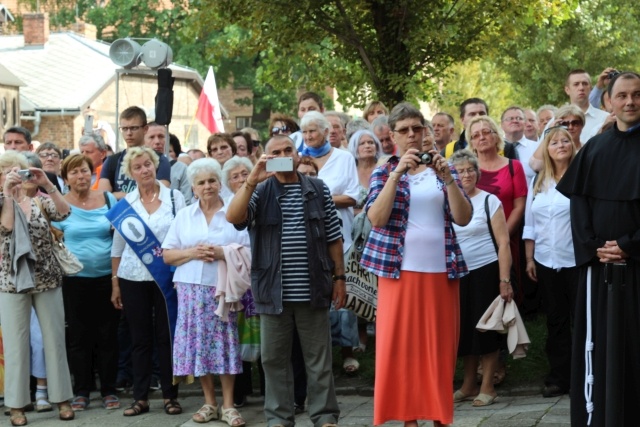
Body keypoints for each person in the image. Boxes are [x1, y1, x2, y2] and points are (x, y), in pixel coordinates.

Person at [360, 102, 472, 427]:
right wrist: (397, 173)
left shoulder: (443, 168)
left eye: (417, 128)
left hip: (442, 271)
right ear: (393, 135)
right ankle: (409, 419)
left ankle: (439, 416)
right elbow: (377, 218)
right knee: (402, 350)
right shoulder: (383, 171)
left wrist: (448, 177)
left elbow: (463, 218)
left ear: (425, 131)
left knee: (439, 350)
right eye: (404, 130)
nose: (412, 135)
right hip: (399, 272)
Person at [226, 134, 345, 427]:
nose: (283, 154)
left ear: (297, 153)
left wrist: (339, 278)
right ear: (266, 157)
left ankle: (325, 416)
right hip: (272, 292)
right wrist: (253, 177)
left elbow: (333, 236)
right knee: (274, 361)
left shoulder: (317, 188)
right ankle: (279, 418)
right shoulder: (260, 190)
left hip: (314, 288)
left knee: (318, 360)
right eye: (275, 151)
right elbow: (234, 216)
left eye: (287, 150)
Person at [556, 71, 640, 426]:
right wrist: (595, 248)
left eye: (637, 95)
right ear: (609, 101)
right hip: (599, 270)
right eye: (622, 96)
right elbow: (578, 204)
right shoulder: (595, 146)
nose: (630, 102)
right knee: (601, 348)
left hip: (638, 266)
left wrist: (628, 245)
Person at [163, 158, 249, 426]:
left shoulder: (233, 213)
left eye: (212, 180)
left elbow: (248, 252)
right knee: (198, 345)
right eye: (201, 182)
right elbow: (167, 255)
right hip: (189, 289)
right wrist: (192, 252)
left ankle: (228, 405)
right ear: (193, 187)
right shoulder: (184, 215)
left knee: (225, 345)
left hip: (222, 290)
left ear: (219, 182)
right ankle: (209, 402)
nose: (208, 186)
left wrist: (222, 252)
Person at [109, 146, 186, 417]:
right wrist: (115, 283)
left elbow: (184, 237)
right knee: (139, 339)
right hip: (131, 277)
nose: (144, 170)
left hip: (167, 278)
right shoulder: (125, 205)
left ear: (155, 166)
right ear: (131, 173)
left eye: (148, 165)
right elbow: (117, 248)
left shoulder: (175, 198)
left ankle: (170, 395)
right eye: (138, 167)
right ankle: (140, 398)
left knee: (167, 338)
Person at [0, 151, 75, 425]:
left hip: (48, 278)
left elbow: (65, 212)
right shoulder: (1, 201)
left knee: (54, 340)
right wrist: (8, 194)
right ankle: (17, 406)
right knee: (16, 345)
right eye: (5, 171)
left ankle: (62, 399)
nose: (12, 176)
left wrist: (47, 183)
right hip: (11, 283)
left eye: (16, 170)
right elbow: (6, 227)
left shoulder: (39, 201)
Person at [51, 154, 121, 411]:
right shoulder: (58, 204)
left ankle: (109, 390)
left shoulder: (107, 199)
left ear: (91, 174)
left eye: (84, 171)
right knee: (79, 338)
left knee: (108, 336)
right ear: (65, 178)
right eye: (74, 172)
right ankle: (81, 391)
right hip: (74, 282)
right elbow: (53, 238)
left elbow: (120, 238)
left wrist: (116, 281)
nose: (80, 176)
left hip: (107, 278)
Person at [450, 149, 513, 408]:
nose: (466, 174)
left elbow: (504, 242)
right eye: (460, 170)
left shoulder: (489, 201)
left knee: (486, 330)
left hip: (486, 271)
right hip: (457, 274)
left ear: (478, 172)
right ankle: (467, 384)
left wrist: (504, 280)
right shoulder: (448, 199)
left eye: (470, 169)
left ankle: (487, 386)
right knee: (464, 331)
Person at [300, 111, 361, 373]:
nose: (309, 136)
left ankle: (348, 352)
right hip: (307, 240)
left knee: (342, 296)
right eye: (304, 132)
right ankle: (318, 355)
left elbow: (353, 197)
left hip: (340, 235)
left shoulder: (344, 158)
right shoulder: (298, 160)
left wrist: (319, 199)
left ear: (326, 131)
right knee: (315, 297)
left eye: (313, 130)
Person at [522, 127, 577, 399]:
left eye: (565, 140)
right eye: (554, 142)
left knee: (582, 320)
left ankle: (583, 375)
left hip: (577, 260)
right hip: (545, 260)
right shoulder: (538, 181)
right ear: (546, 149)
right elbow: (530, 223)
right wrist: (530, 258)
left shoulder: (581, 178)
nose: (560, 145)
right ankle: (558, 378)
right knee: (555, 321)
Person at [98, 106, 171, 199]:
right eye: (124, 128)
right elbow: (103, 197)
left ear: (145, 129)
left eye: (133, 128)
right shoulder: (112, 161)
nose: (129, 133)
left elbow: (160, 194)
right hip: (121, 212)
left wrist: (119, 195)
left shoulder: (159, 160)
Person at [348, 129, 382, 216]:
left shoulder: (384, 169)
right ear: (354, 148)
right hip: (356, 224)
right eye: (362, 143)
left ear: (376, 147)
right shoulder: (350, 172)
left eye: (371, 142)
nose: (367, 146)